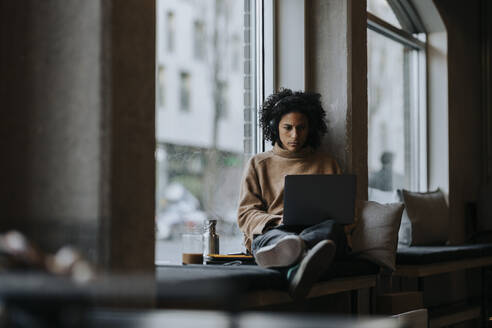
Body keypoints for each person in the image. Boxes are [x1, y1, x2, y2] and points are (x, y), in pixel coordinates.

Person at [237, 89, 349, 299]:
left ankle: (296, 254)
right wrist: (276, 222)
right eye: (287, 128)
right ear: (274, 127)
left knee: (333, 228)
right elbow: (245, 215)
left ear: (311, 129)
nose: (295, 135)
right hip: (276, 232)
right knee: (277, 238)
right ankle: (298, 254)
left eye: (301, 128)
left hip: (316, 232)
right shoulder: (258, 164)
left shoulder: (327, 164)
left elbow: (343, 215)